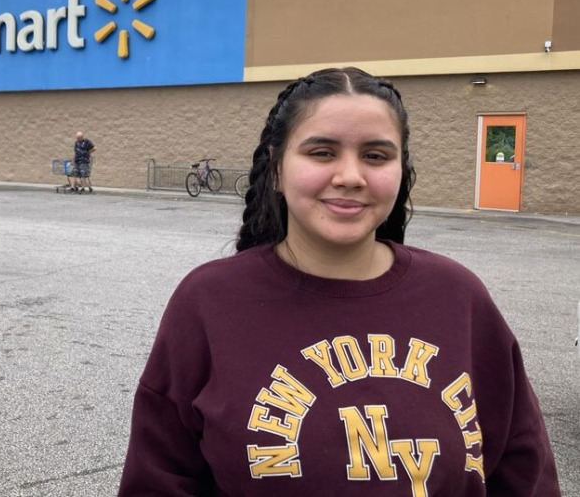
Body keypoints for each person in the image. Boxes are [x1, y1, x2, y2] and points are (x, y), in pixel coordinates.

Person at [118, 67, 561, 496]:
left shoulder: (458, 297)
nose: (350, 176)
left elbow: (524, 473)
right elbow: (158, 480)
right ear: (276, 169)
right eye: (322, 152)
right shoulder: (208, 302)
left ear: (400, 170)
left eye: (375, 155)